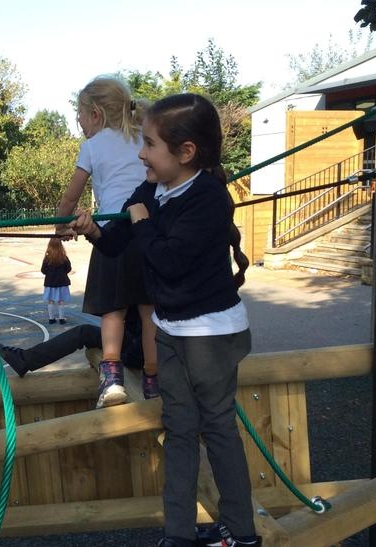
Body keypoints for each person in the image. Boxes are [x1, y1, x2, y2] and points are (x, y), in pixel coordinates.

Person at [68, 93, 258, 547]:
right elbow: (119, 245)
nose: (141, 154)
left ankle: (241, 532)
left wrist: (140, 223)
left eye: (150, 144)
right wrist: (94, 231)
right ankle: (178, 533)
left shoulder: (207, 198)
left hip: (211, 334)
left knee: (217, 428)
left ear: (186, 152)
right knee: (178, 429)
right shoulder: (151, 190)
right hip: (171, 329)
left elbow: (169, 261)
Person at [56, 76, 159, 408]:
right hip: (146, 230)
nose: (80, 124)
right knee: (148, 313)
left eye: (80, 116)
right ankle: (153, 380)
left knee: (113, 312)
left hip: (113, 233)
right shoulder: (141, 137)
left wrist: (59, 229)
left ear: (96, 115)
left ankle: (112, 380)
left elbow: (70, 196)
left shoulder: (92, 146)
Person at [0, 306, 143, 377]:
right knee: (85, 332)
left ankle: (26, 359)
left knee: (85, 332)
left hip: (138, 350)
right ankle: (25, 359)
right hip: (134, 341)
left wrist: (117, 357)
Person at [41, 238, 71, 324]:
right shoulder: (64, 257)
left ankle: (51, 318)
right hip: (62, 282)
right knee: (61, 301)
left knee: (50, 301)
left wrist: (49, 273)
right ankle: (61, 319)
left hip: (50, 283)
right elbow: (68, 268)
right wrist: (62, 273)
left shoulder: (47, 258)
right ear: (61, 246)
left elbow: (43, 270)